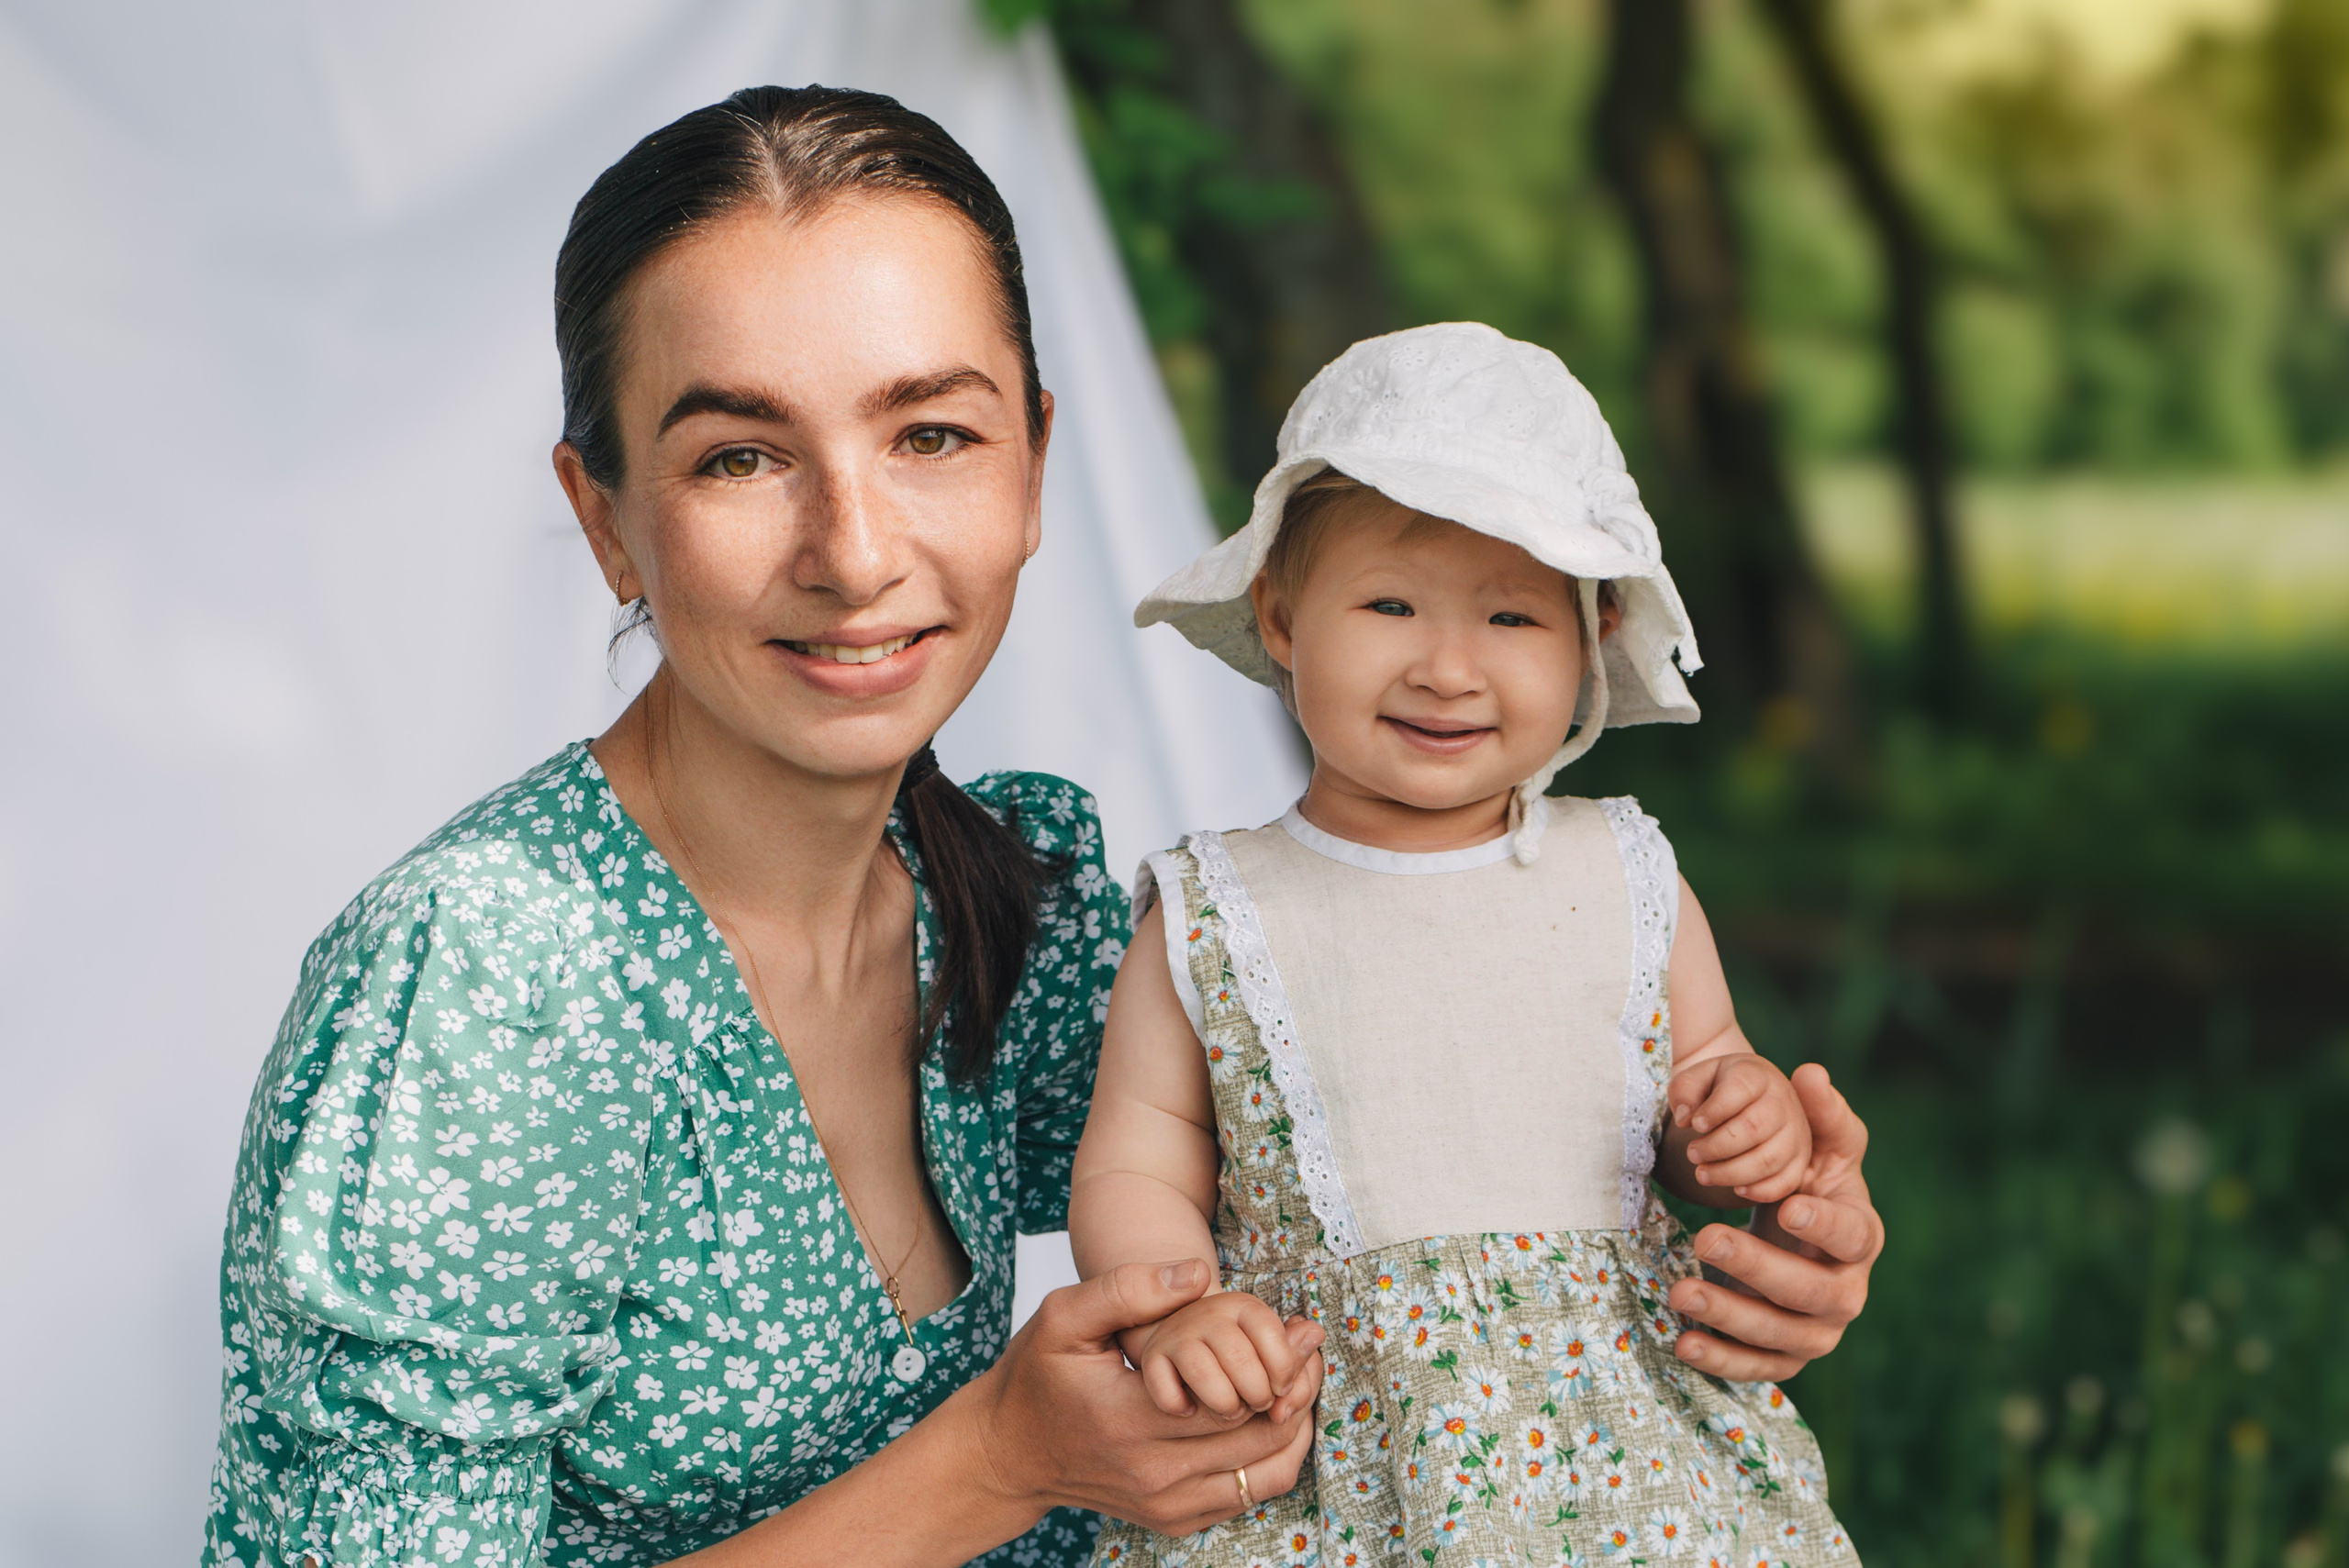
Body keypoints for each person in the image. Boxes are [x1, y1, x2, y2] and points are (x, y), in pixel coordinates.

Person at [201, 86, 1877, 1568]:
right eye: (738, 458)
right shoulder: (492, 990)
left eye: (931, 434)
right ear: (606, 518)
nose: (856, 551)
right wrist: (999, 1460)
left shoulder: (1017, 897)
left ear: (1034, 462)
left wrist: (1751, 1209)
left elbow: (1392, 1132)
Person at [1073, 323, 1866, 1564]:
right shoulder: (1218, 910)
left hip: (1624, 1442)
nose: (1448, 668)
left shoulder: (1625, 874)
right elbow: (1141, 1155)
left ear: (1592, 637)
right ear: (1279, 614)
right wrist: (1175, 1315)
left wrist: (1742, 1123)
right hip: (1334, 1446)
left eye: (1511, 616)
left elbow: (1699, 1083)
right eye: (1390, 604)